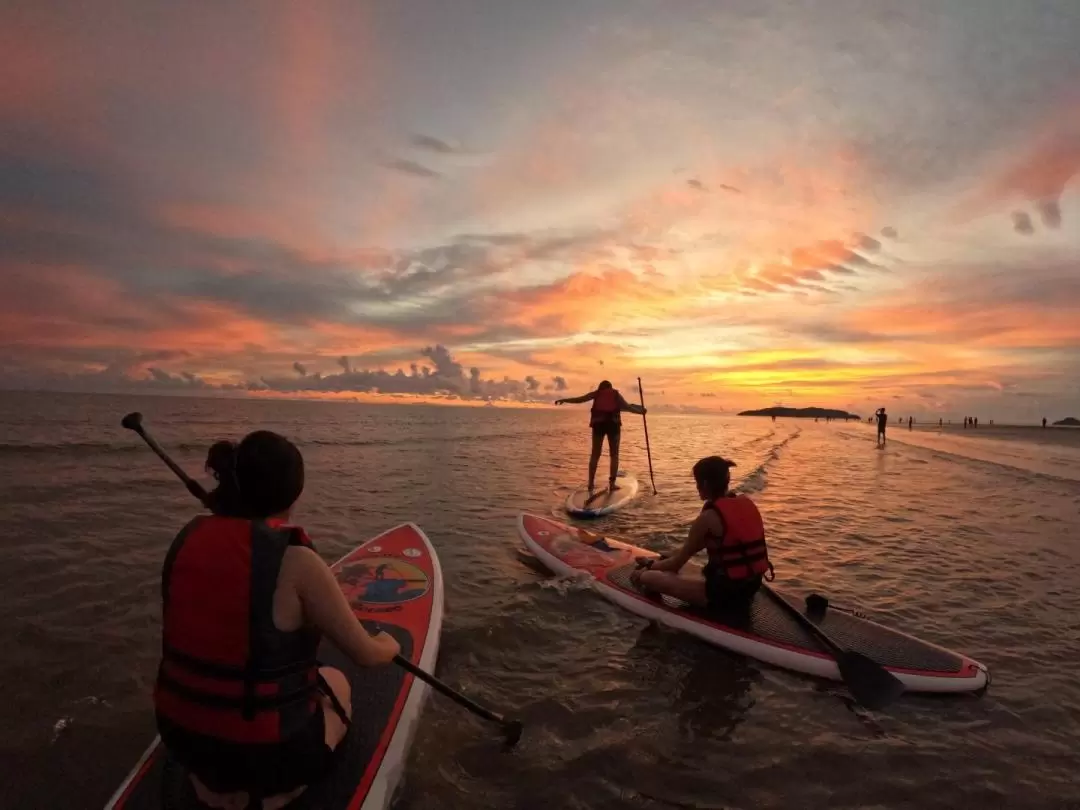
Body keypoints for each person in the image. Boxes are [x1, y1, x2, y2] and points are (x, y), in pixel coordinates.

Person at [155, 431, 401, 810]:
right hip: (267, 756)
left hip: (180, 736)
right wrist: (391, 644)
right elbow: (367, 655)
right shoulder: (298, 562)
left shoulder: (185, 539)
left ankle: (212, 786)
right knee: (337, 684)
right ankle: (280, 793)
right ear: (294, 493)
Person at [631, 456, 773, 611]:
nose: (696, 486)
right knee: (692, 571)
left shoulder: (707, 518)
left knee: (647, 577)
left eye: (697, 482)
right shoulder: (747, 504)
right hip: (751, 587)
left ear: (704, 484)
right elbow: (695, 549)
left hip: (723, 595)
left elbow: (675, 565)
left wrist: (651, 566)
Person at [555, 380, 645, 492]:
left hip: (598, 426)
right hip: (613, 426)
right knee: (614, 455)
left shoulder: (597, 393)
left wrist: (564, 400)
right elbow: (628, 407)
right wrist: (641, 412)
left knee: (595, 454)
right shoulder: (615, 394)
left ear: (600, 388)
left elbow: (580, 399)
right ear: (610, 387)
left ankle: (591, 484)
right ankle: (612, 484)